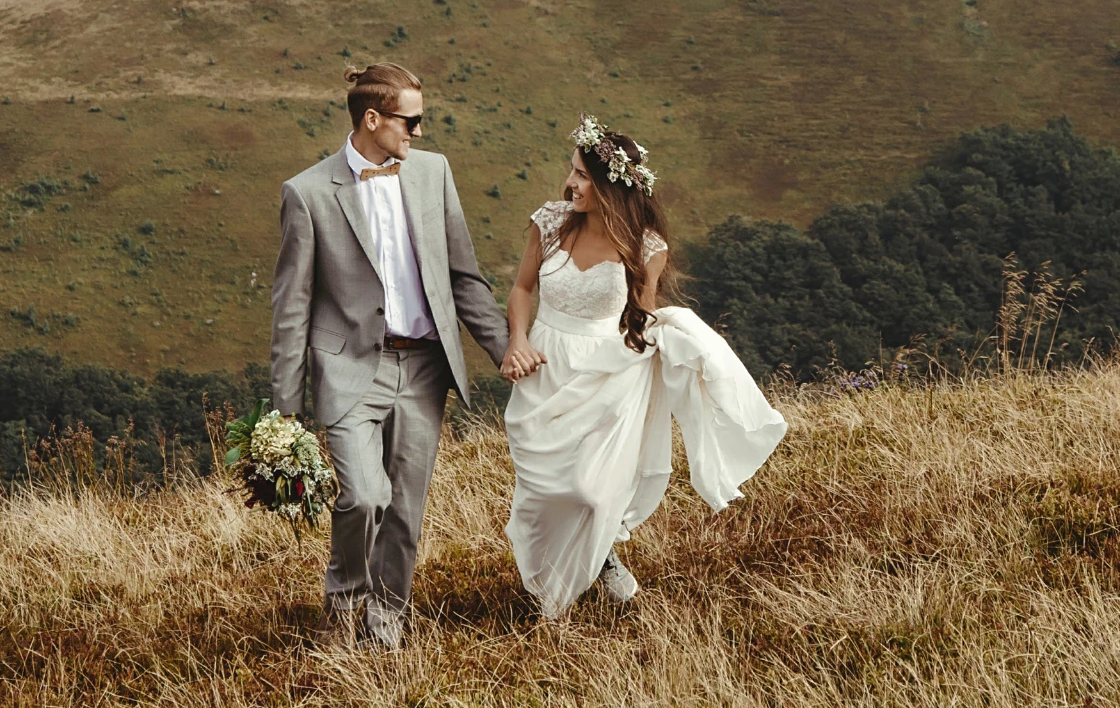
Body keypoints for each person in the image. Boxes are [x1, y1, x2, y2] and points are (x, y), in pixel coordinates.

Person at [500, 114, 786, 619]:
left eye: (583, 176)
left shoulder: (644, 246)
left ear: (612, 186)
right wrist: (517, 341)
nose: (570, 183)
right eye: (572, 171)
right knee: (544, 489)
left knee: (591, 488)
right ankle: (550, 573)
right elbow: (523, 289)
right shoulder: (548, 223)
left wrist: (675, 345)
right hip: (546, 363)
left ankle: (600, 552)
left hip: (609, 372)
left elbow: (642, 312)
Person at [270, 62, 510, 649]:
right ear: (372, 120)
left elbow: (464, 277)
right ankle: (344, 610)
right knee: (364, 496)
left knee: (405, 507)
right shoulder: (306, 193)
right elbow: (291, 308)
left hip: (425, 368)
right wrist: (284, 410)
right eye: (412, 120)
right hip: (350, 367)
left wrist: (507, 351)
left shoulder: (433, 173)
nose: (420, 133)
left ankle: (387, 626)